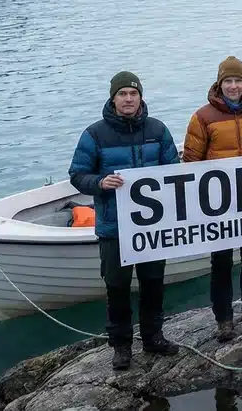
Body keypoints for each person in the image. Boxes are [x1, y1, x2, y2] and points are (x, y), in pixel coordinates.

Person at [68, 72, 180, 371]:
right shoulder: (94, 134)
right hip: (114, 227)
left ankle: (153, 336)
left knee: (153, 283)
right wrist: (100, 182)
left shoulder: (158, 130)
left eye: (133, 93)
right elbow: (77, 175)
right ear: (113, 98)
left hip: (152, 226)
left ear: (140, 96)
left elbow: (174, 170)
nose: (128, 99)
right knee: (116, 287)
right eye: (122, 94)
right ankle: (121, 346)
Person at [181, 56, 242, 341]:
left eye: (238, 81)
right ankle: (223, 319)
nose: (234, 86)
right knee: (221, 261)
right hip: (219, 205)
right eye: (228, 81)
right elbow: (191, 160)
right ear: (219, 83)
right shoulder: (203, 117)